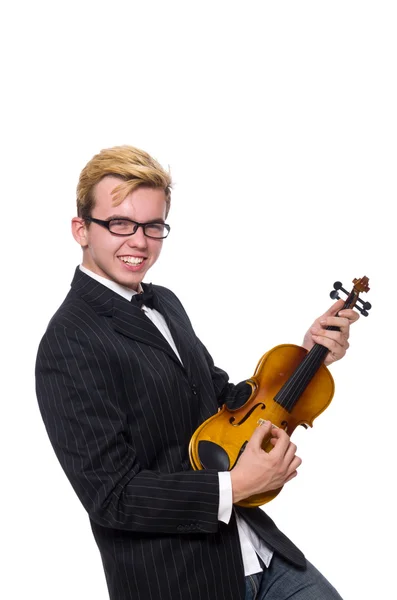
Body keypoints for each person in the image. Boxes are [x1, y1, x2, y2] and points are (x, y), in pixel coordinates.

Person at [35, 145, 358, 600]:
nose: (139, 241)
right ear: (81, 230)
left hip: (258, 551)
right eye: (120, 224)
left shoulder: (164, 301)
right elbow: (112, 496)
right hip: (181, 581)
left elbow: (224, 399)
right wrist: (237, 485)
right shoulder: (67, 342)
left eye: (152, 226)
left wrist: (306, 359)